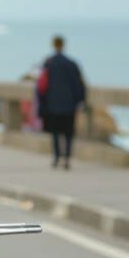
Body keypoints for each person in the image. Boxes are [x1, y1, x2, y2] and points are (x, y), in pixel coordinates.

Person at [36, 35, 86, 168]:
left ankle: (57, 157)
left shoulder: (48, 63)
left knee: (55, 132)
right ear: (63, 45)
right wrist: (80, 101)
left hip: (53, 105)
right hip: (69, 105)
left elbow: (41, 86)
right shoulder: (71, 64)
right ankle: (67, 158)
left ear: (53, 45)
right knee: (68, 132)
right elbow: (79, 85)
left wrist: (42, 103)